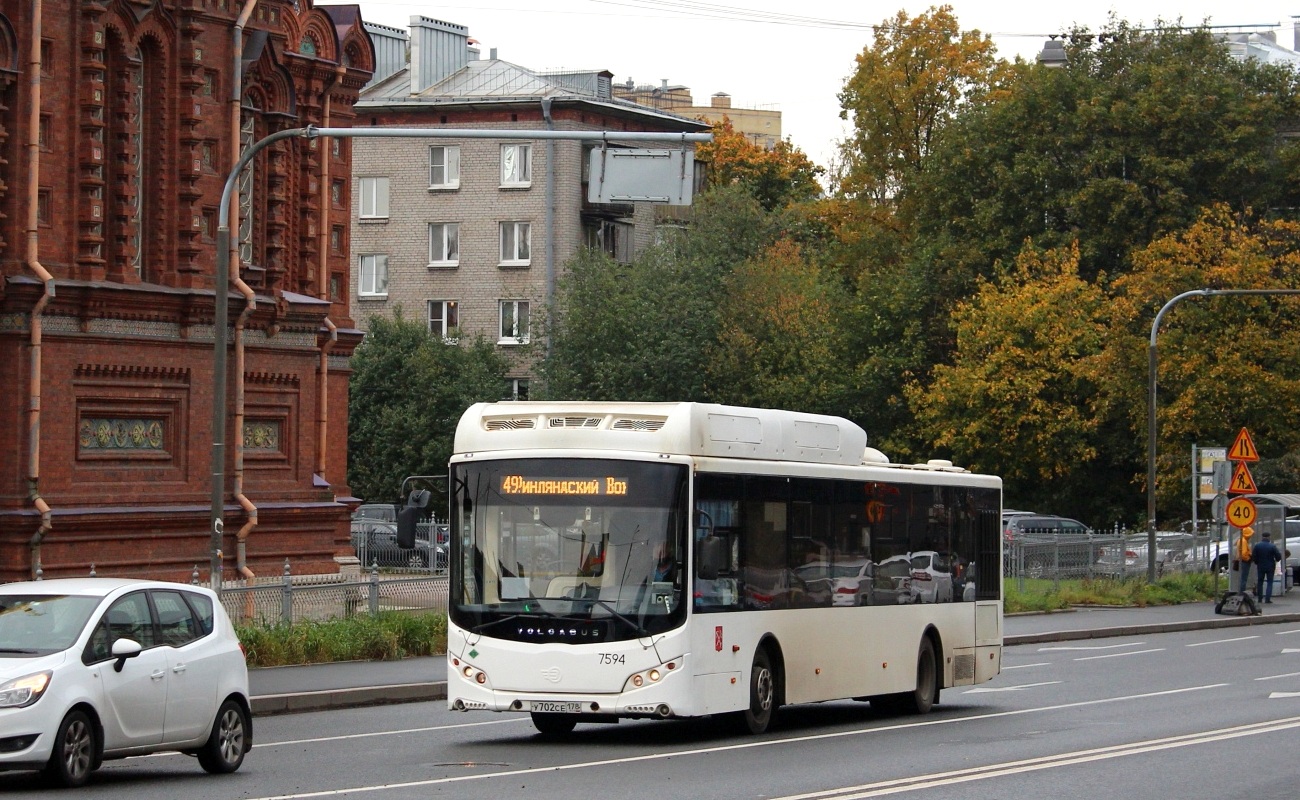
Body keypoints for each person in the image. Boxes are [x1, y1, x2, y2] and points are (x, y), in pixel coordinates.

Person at [1251, 531, 1283, 604]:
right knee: (1269, 582)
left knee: (1260, 582)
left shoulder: (1257, 546)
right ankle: (1267, 599)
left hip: (1260, 566)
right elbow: (1278, 556)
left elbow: (1254, 556)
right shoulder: (1272, 546)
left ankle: (1259, 598)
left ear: (1262, 537)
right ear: (1269, 537)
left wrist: (1257, 562)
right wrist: (1276, 560)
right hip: (1270, 566)